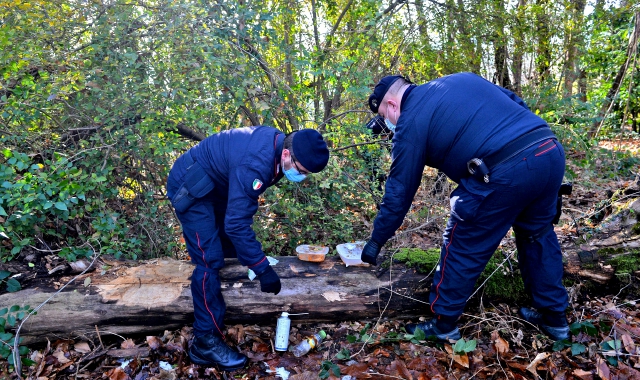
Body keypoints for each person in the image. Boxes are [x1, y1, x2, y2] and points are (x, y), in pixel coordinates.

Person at [360, 73, 570, 342]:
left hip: (504, 169)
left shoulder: (410, 121)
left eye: (386, 117)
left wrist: (376, 241)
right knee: (537, 235)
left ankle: (444, 324)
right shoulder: (458, 80)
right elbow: (515, 100)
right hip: (547, 150)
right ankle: (555, 320)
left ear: (391, 104)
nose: (389, 125)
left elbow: (399, 192)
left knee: (461, 242)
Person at [166, 126, 330, 370]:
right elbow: (236, 223)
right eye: (301, 171)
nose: (301, 177)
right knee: (209, 260)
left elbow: (238, 213)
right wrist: (262, 269)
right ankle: (205, 342)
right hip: (191, 186)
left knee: (230, 250)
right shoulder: (257, 163)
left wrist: (252, 260)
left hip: (215, 186)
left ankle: (229, 312)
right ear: (287, 154)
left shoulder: (276, 149)